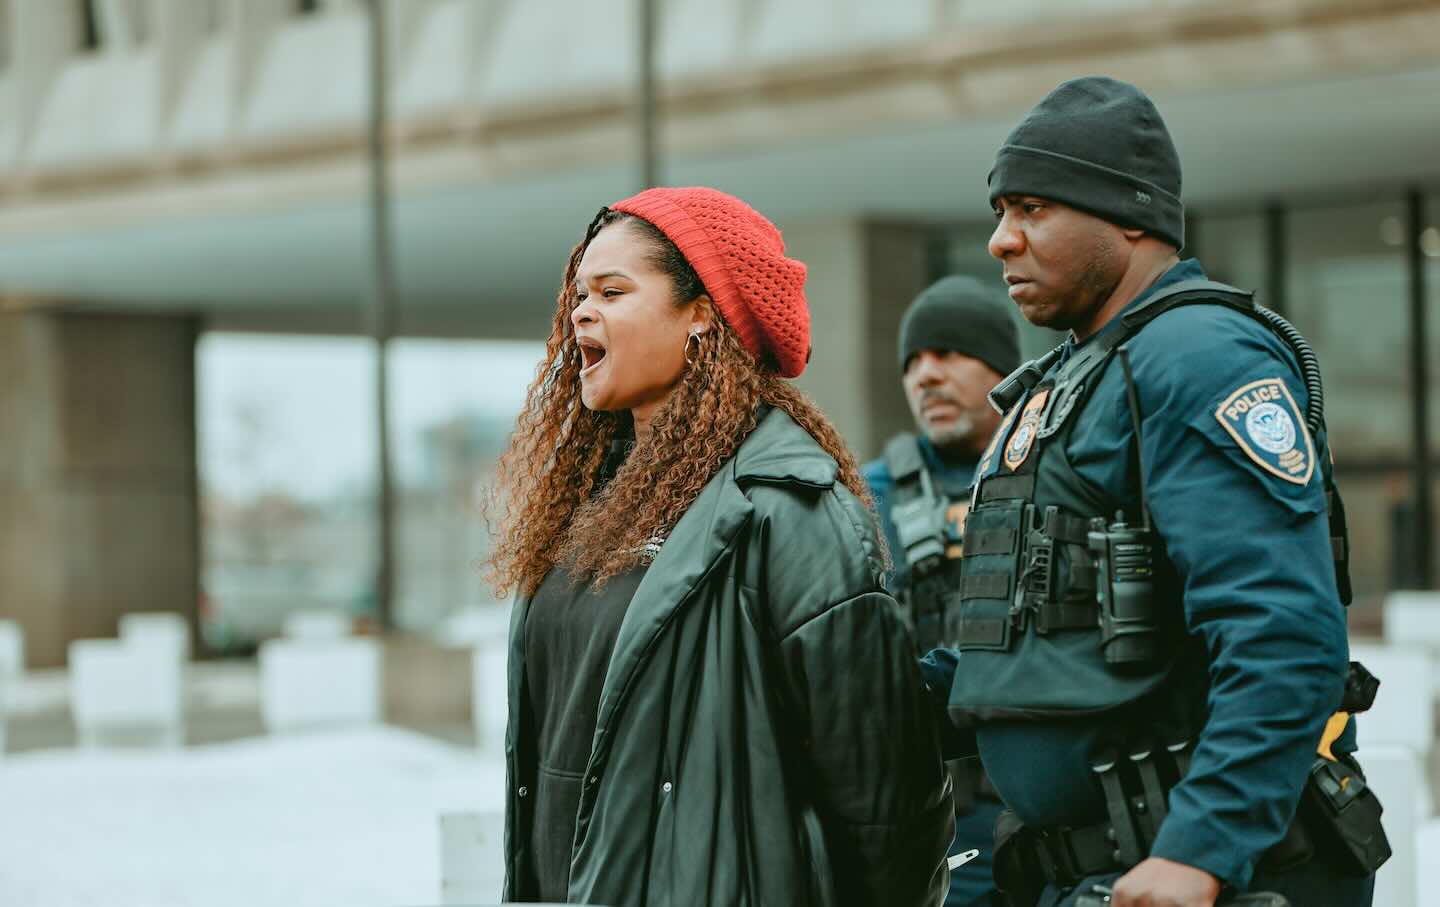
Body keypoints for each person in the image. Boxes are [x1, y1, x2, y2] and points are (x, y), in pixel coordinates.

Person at [924, 77, 1386, 907]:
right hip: (1087, 873)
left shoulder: (1200, 357)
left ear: (1127, 214)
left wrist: (1200, 851)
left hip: (1214, 875)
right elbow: (1035, 647)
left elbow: (1282, 632)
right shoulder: (1076, 377)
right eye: (1001, 212)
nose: (1001, 240)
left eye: (1031, 208)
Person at [487, 186, 953, 906]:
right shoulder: (582, 508)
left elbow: (886, 796)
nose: (582, 310)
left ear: (703, 312)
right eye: (579, 292)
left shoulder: (788, 509)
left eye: (612, 290)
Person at [862, 276, 1020, 907]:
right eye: (912, 361)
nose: (925, 376)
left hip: (1044, 801)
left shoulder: (1049, 469)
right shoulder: (866, 494)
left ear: (1002, 368)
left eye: (949, 353)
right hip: (930, 809)